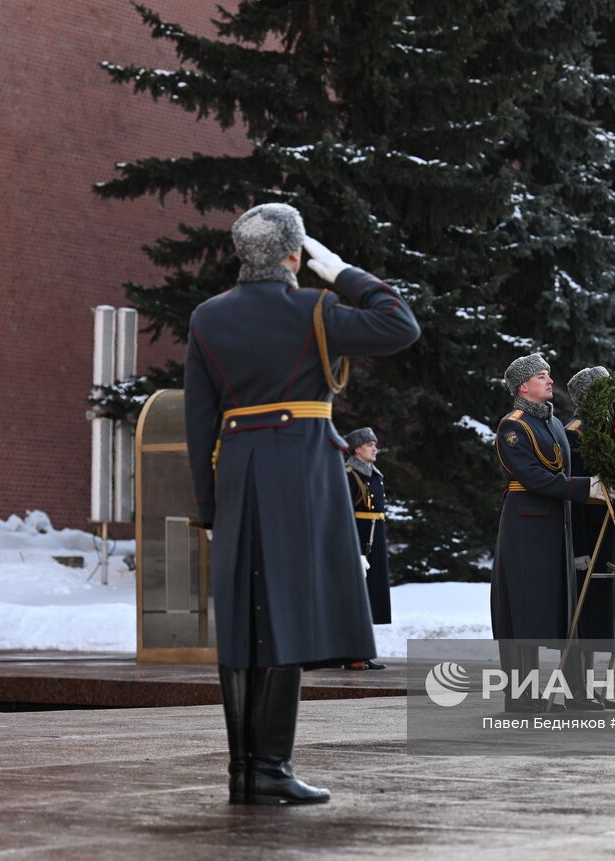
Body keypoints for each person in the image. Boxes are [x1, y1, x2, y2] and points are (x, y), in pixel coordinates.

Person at [184, 203, 420, 804]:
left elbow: (198, 419)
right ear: (294, 255)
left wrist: (210, 505)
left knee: (244, 618)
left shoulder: (208, 317)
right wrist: (341, 272)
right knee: (283, 614)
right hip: (300, 470)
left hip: (237, 470)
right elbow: (399, 325)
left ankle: (245, 769)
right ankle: (270, 766)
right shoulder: (314, 309)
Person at [491, 353, 608, 712]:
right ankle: (519, 695)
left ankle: (574, 691)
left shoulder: (554, 424)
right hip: (526, 524)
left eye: (548, 374)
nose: (548, 379)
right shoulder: (513, 426)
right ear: (523, 386)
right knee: (523, 610)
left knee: (561, 609)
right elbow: (535, 477)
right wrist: (587, 488)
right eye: (541, 375)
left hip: (556, 522)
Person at [564, 366, 615, 709]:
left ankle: (594, 687)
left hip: (611, 532)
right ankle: (578, 690)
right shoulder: (575, 435)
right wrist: (577, 547)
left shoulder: (606, 430)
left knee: (605, 616)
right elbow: (573, 497)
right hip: (590, 534)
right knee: (584, 613)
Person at [343, 426, 389, 670]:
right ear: (358, 449)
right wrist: (352, 547)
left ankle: (361, 651)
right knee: (356, 597)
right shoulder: (350, 474)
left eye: (375, 444)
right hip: (359, 539)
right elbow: (343, 513)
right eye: (370, 445)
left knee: (369, 597)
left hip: (374, 538)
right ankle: (353, 653)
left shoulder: (373, 473)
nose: (375, 449)